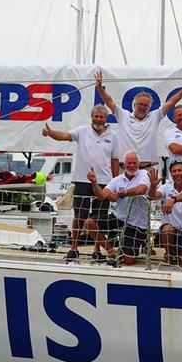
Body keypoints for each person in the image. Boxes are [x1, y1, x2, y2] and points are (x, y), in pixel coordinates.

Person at [42, 104, 119, 263]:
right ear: (92, 117)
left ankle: (97, 251)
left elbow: (115, 160)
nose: (98, 119)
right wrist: (50, 133)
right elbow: (64, 135)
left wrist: (116, 182)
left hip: (104, 182)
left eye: (101, 117)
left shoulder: (114, 136)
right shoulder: (82, 131)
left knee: (98, 219)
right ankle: (73, 249)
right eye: (96, 116)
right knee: (79, 216)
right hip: (82, 180)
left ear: (106, 119)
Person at [94, 70, 182, 168]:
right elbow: (109, 101)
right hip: (124, 169)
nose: (142, 107)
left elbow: (171, 102)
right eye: (140, 104)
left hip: (147, 169)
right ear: (134, 104)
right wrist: (99, 88)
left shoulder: (155, 116)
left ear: (150, 107)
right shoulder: (123, 115)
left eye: (145, 105)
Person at [87, 151, 151, 266]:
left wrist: (120, 194)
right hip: (119, 218)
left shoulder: (144, 174)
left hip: (137, 224)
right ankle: (111, 252)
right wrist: (94, 183)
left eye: (134, 163)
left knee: (129, 261)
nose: (132, 166)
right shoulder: (117, 179)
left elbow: (141, 189)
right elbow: (101, 195)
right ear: (124, 165)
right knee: (89, 223)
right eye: (129, 163)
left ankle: (129, 250)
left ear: (138, 164)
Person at [148, 161, 182, 268]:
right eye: (174, 171)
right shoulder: (166, 187)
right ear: (170, 173)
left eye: (180, 170)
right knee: (167, 229)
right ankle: (170, 255)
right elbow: (154, 196)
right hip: (170, 231)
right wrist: (152, 187)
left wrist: (173, 200)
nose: (177, 173)